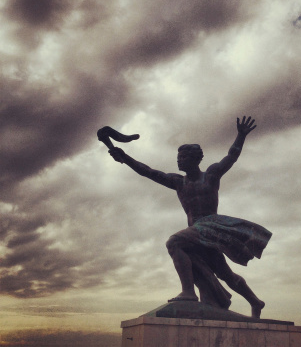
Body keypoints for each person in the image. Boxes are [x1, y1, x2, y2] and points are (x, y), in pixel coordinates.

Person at [109, 116, 271, 318]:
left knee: (174, 242)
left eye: (184, 157)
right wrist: (125, 158)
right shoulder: (178, 182)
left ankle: (188, 292)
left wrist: (240, 135)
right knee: (224, 274)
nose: (179, 160)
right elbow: (148, 172)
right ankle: (256, 301)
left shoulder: (210, 175)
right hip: (197, 232)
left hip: (211, 226)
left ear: (195, 159)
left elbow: (231, 157)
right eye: (178, 157)